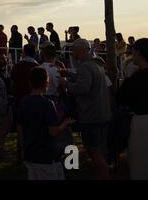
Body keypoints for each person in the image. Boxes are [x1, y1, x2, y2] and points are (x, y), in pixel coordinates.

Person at [58, 39, 112, 179]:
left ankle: (104, 175)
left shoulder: (85, 66)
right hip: (101, 113)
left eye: (74, 49)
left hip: (90, 115)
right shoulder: (95, 65)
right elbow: (86, 79)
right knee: (100, 150)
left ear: (81, 49)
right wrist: (69, 73)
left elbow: (82, 88)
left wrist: (66, 83)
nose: (72, 52)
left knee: (93, 150)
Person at [17, 67, 75, 180]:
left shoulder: (23, 102)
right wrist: (65, 124)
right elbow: (53, 131)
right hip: (46, 154)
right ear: (46, 83)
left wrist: (23, 146)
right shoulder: (47, 104)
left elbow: (20, 127)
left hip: (30, 152)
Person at [117, 38, 148, 179]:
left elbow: (121, 98)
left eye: (133, 51)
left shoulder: (136, 78)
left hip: (141, 121)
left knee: (140, 165)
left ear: (139, 53)